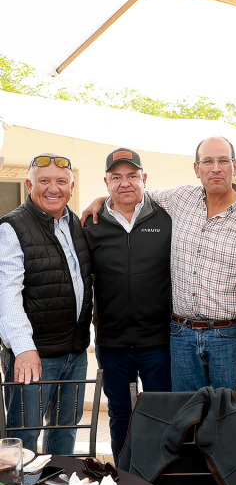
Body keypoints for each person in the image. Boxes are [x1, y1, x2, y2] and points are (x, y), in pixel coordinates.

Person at [82, 137, 236, 456]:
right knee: (181, 425)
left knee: (231, 424)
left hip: (222, 338)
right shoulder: (179, 200)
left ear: (235, 165)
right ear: (196, 168)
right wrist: (102, 200)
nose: (215, 168)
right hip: (175, 337)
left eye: (223, 160)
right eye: (207, 161)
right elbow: (129, 194)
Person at [83, 148, 172, 465]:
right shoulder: (91, 224)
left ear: (144, 178)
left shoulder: (166, 218)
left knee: (161, 414)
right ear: (106, 182)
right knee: (120, 414)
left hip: (159, 342)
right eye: (116, 177)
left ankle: (159, 479)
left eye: (132, 175)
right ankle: (124, 476)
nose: (125, 183)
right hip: (112, 343)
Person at [0, 153, 92, 454]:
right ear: (29, 185)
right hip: (34, 356)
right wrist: (24, 349)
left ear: (71, 187)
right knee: (23, 440)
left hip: (75, 353)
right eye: (44, 181)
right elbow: (6, 294)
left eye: (61, 181)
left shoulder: (74, 222)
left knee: (65, 435)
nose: (54, 188)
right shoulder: (11, 227)